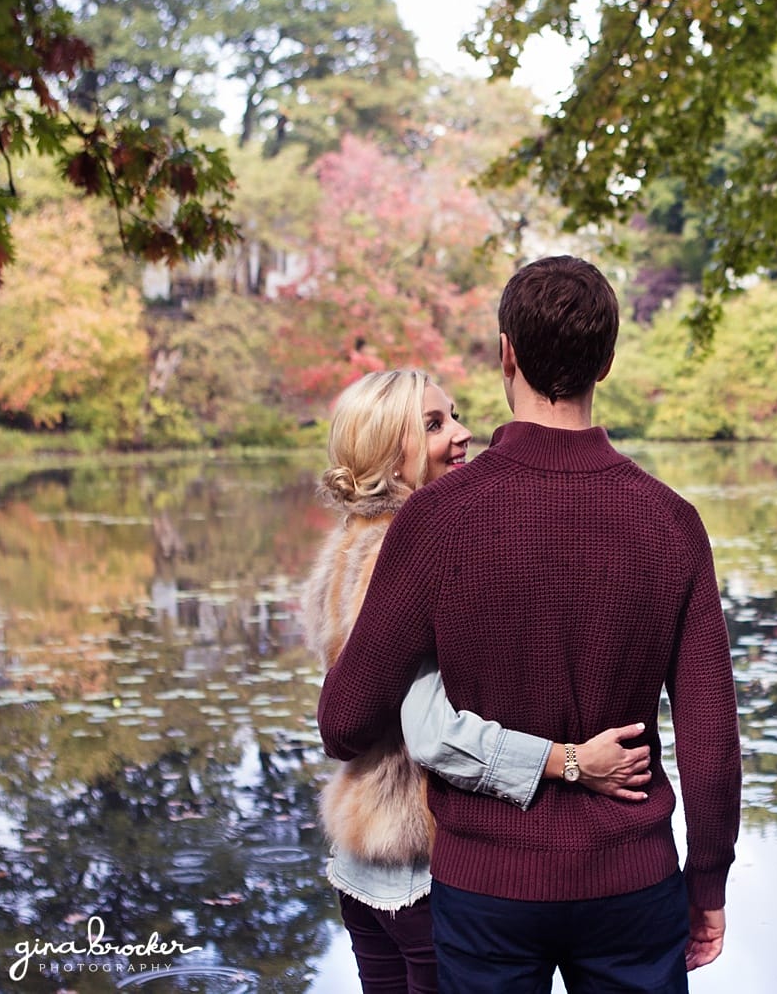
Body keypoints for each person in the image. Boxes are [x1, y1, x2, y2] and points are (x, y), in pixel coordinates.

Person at [317, 258, 741, 993]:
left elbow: (344, 722)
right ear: (606, 362)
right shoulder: (671, 521)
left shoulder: (436, 518)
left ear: (505, 353)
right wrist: (708, 882)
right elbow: (711, 737)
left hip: (486, 891)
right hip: (632, 884)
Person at [302, 367, 654, 994]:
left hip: (359, 860)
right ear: (389, 450)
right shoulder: (404, 549)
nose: (462, 433)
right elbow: (432, 732)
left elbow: (346, 711)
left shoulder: (347, 546)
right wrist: (573, 761)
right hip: (419, 859)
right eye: (434, 424)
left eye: (455, 415)